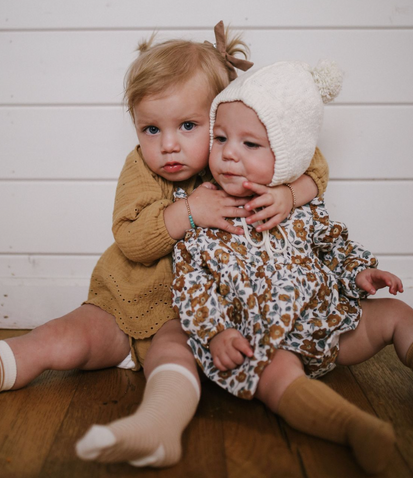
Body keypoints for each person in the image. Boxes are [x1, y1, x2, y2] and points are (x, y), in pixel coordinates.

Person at [0, 23, 328, 467]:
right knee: (57, 339)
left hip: (189, 318)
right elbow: (133, 240)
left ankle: (157, 429)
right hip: (122, 302)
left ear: (220, 118)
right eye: (151, 129)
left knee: (171, 353)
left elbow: (308, 157)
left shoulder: (237, 156)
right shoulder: (140, 169)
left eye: (188, 125)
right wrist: (188, 212)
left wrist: (290, 194)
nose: (169, 145)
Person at [171, 59, 413, 474]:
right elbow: (191, 281)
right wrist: (216, 332)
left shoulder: (299, 205)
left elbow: (333, 243)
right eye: (222, 137)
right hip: (258, 338)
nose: (229, 152)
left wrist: (359, 273)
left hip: (327, 325)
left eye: (250, 144)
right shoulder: (206, 210)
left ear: (285, 156)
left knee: (395, 315)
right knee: (278, 374)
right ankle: (355, 428)